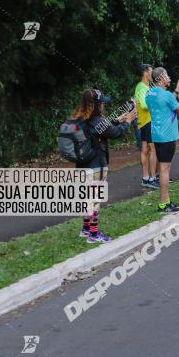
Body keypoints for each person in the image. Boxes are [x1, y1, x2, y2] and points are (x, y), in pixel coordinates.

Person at [73, 89, 136, 243]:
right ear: (96, 105)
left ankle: (86, 229)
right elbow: (116, 133)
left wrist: (118, 120)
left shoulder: (79, 120)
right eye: (102, 103)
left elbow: (100, 130)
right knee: (95, 199)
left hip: (82, 165)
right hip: (96, 165)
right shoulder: (97, 121)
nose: (103, 106)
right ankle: (94, 235)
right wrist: (127, 121)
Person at [145, 67, 179, 213]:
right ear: (161, 78)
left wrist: (176, 92)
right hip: (168, 136)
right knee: (164, 170)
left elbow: (165, 103)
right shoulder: (167, 95)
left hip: (156, 135)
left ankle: (166, 201)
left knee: (163, 169)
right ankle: (163, 204)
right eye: (167, 75)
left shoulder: (149, 93)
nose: (169, 77)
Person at [134, 64, 159, 189]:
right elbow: (144, 105)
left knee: (145, 150)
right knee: (153, 150)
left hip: (144, 122)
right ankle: (152, 178)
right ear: (145, 73)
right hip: (147, 122)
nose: (152, 74)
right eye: (151, 71)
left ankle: (145, 178)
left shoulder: (144, 87)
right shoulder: (141, 87)